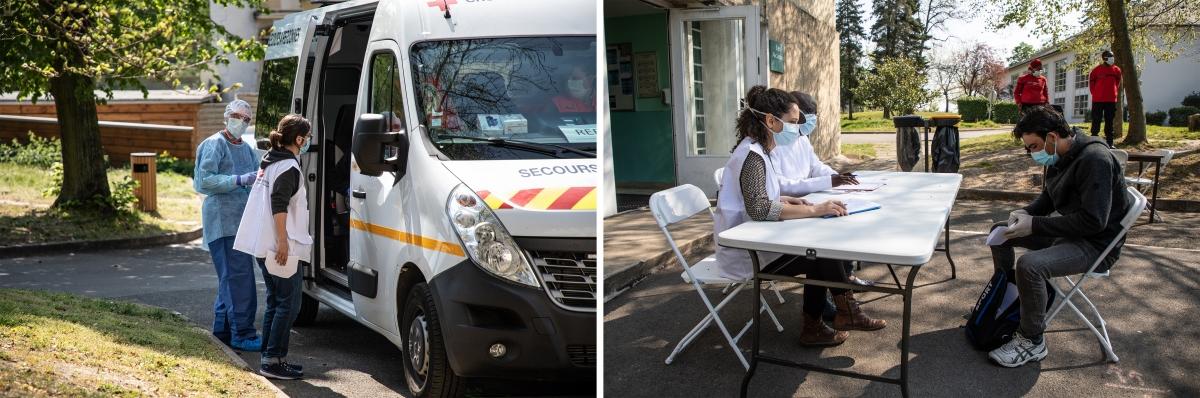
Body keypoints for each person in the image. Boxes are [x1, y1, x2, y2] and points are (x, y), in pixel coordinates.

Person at [714, 86, 886, 347]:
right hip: (746, 253)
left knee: (821, 251)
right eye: (793, 123)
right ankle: (838, 316)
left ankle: (832, 318)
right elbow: (759, 209)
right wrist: (815, 209)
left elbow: (757, 197)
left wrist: (786, 199)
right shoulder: (752, 156)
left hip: (758, 241)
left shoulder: (760, 150)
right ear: (771, 121)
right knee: (819, 253)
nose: (798, 128)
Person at [987, 105, 1130, 368]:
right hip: (1070, 234)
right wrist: (1025, 213)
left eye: (1033, 146)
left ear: (1052, 137)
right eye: (1028, 148)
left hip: (1096, 245)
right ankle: (1002, 302)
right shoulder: (1060, 155)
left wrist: (1035, 225)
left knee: (1030, 266)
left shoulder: (1094, 159)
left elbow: (1094, 221)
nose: (1031, 154)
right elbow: (1049, 198)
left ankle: (1032, 341)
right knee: (1001, 232)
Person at [233, 114, 314, 379]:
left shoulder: (269, 162)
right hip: (280, 246)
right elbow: (279, 204)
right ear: (299, 139)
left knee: (275, 301)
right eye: (307, 137)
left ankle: (271, 357)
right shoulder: (288, 167)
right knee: (288, 305)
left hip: (263, 244)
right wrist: (282, 241)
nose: (308, 141)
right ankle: (272, 361)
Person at [777, 91, 871, 290]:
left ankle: (847, 278)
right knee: (824, 247)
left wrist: (838, 178)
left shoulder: (801, 139)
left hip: (801, 203)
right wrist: (827, 182)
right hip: (788, 212)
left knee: (841, 220)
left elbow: (816, 166)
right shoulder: (773, 144)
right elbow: (782, 186)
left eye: (813, 114)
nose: (809, 120)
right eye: (804, 115)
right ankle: (836, 301)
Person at [193, 99, 261, 352]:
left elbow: (258, 179)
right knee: (238, 279)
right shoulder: (214, 144)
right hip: (222, 221)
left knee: (230, 279)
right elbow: (203, 182)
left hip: (241, 221)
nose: (241, 121)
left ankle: (222, 330)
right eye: (236, 115)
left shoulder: (246, 149)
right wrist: (239, 179)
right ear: (226, 116)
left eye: (246, 118)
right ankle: (242, 333)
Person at [1089, 50, 1122, 147]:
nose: (1112, 59)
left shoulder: (1117, 70)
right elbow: (1091, 83)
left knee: (1109, 121)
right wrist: (1095, 93)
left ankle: (1110, 143)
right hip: (1097, 100)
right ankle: (1094, 141)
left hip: (1111, 100)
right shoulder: (1096, 71)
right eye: (1110, 57)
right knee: (1096, 120)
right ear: (1104, 59)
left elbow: (1117, 83)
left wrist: (1113, 93)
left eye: (1113, 56)